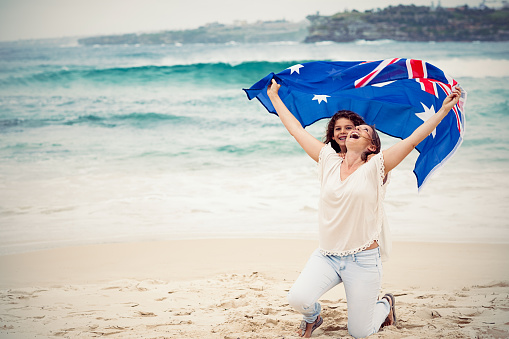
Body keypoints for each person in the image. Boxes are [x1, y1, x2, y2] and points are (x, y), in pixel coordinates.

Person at [266, 79, 461, 338]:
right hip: (327, 255)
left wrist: (444, 110)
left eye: (361, 129)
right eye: (347, 129)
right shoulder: (327, 160)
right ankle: (314, 318)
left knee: (360, 333)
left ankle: (386, 304)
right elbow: (296, 130)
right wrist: (274, 97)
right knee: (297, 299)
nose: (352, 130)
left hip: (363, 261)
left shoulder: (375, 168)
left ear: (371, 145)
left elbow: (415, 138)